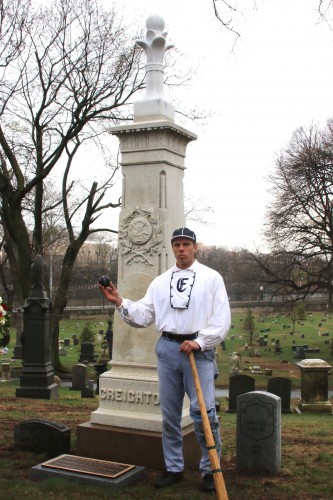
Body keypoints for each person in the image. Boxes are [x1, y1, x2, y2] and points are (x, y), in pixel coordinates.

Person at [98, 227, 231, 492]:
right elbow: (144, 314)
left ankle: (210, 469)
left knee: (203, 412)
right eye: (177, 245)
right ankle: (173, 468)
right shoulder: (160, 282)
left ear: (195, 248)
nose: (181, 249)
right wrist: (120, 301)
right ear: (172, 248)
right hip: (169, 349)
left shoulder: (211, 278)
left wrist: (201, 341)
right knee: (169, 414)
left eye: (186, 244)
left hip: (198, 351)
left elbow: (221, 318)